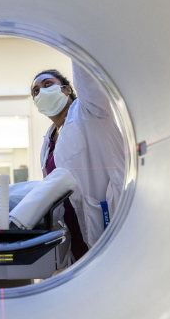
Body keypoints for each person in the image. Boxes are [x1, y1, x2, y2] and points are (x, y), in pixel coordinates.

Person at [31, 62, 125, 261]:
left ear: (66, 89)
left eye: (48, 84)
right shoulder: (49, 141)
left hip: (103, 216)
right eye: (36, 91)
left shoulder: (90, 112)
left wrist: (72, 36)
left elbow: (86, 75)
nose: (41, 93)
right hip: (73, 230)